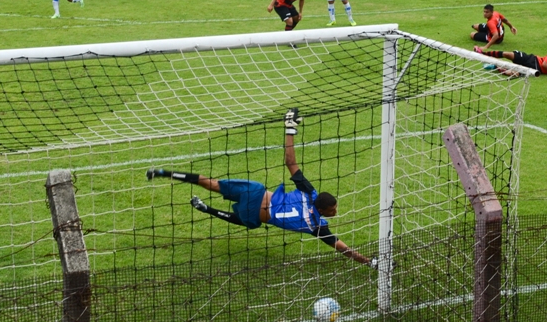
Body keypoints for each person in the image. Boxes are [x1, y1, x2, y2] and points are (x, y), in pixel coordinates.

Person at [146, 108, 377, 267]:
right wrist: (368, 262)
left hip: (254, 191)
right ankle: (206, 209)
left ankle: (163, 173)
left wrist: (290, 128)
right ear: (324, 210)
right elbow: (343, 249)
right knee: (246, 222)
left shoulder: (309, 192)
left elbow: (290, 161)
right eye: (333, 210)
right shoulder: (317, 226)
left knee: (210, 183)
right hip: (253, 213)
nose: (335, 212)